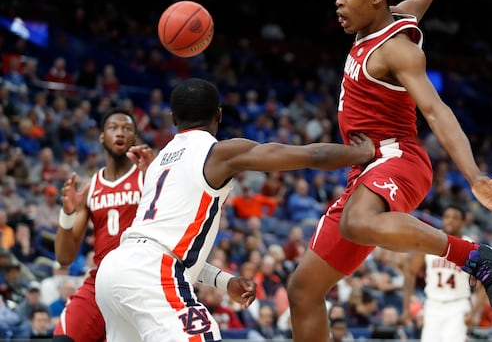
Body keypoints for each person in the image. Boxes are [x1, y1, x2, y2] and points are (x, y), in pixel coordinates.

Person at [286, 0, 492, 342]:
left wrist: (473, 176)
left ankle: (477, 256)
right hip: (366, 171)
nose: (338, 1)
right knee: (303, 289)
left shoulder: (397, 50)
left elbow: (436, 111)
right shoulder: (388, 19)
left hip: (398, 159)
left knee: (357, 222)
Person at [95, 77, 376, 342]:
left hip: (114, 271)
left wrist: (224, 281)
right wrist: (361, 154)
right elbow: (310, 155)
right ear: (218, 115)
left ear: (174, 119)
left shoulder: (158, 164)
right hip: (151, 272)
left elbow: (165, 247)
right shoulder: (218, 152)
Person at [51, 107, 149, 342]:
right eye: (113, 127)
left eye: (127, 128)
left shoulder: (147, 176)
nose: (120, 133)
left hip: (140, 283)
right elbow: (64, 257)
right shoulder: (91, 186)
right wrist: (67, 214)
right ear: (102, 137)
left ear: (134, 138)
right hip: (101, 281)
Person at [402, 204, 486, 342]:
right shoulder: (431, 240)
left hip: (458, 305)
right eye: (446, 217)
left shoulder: (471, 247)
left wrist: (475, 312)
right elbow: (410, 272)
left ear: (463, 222)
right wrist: (406, 308)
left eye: (455, 218)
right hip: (432, 304)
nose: (450, 221)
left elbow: (483, 284)